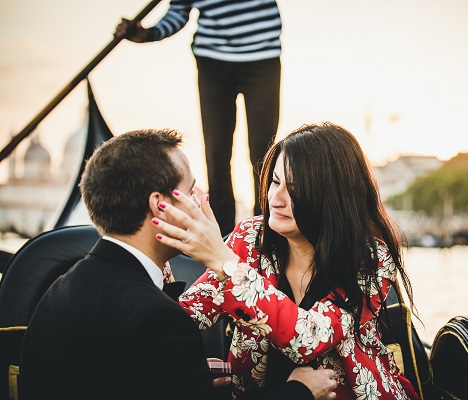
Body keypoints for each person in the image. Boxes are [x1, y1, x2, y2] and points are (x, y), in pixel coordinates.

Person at [18, 128, 337, 400]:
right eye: (189, 190)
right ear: (160, 206)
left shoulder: (59, 289)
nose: (202, 199)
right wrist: (299, 392)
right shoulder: (158, 318)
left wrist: (185, 375)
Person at [152, 122, 421, 399]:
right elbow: (184, 317)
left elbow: (309, 339)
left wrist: (225, 264)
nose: (275, 199)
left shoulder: (371, 258)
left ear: (331, 197)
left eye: (294, 189)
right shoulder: (249, 237)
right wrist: (158, 252)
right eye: (275, 182)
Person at [115, 0, 282, 236]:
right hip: (213, 61)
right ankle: (223, 236)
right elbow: (178, 11)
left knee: (263, 153)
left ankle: (264, 230)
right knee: (216, 151)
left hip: (263, 56)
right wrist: (148, 34)